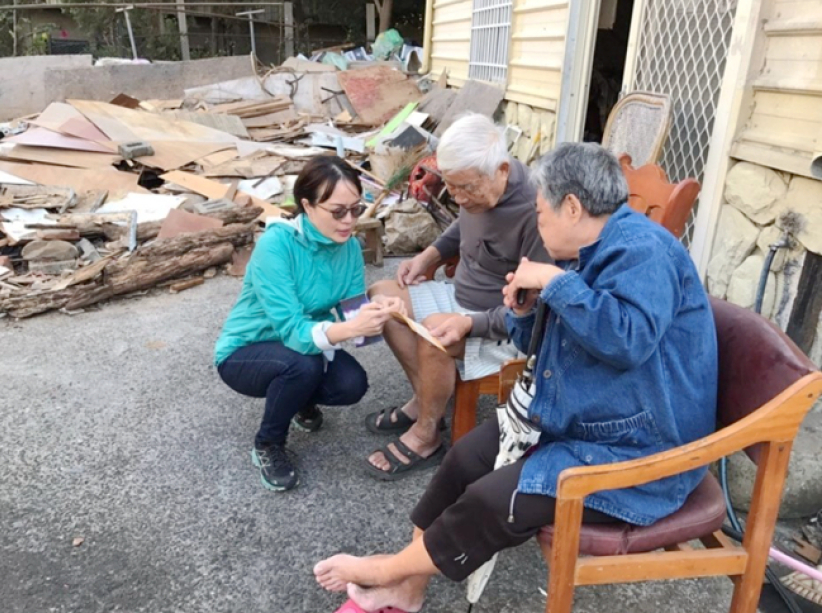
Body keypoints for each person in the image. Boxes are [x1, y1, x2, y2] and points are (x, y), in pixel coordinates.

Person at [313, 143, 719, 611]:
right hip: (588, 416)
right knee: (465, 458)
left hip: (640, 448)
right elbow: (542, 346)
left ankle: (387, 571)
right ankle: (408, 587)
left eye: (542, 213)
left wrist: (555, 283)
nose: (538, 224)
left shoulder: (643, 251)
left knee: (495, 498)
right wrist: (524, 310)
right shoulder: (584, 249)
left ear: (572, 207)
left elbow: (628, 341)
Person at [364, 112, 550, 480]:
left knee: (433, 335)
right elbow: (462, 224)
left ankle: (426, 432)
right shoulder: (477, 189)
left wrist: (469, 323)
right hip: (458, 295)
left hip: (500, 324)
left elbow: (533, 313)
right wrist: (428, 256)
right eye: (453, 188)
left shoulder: (537, 211)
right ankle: (426, 398)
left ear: (501, 169)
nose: (460, 198)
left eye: (467, 189)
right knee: (383, 296)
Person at [215, 155, 404, 492]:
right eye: (337, 211)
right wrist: (352, 328)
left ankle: (299, 398)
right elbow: (293, 332)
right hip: (245, 351)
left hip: (303, 349)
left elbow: (352, 315)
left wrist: (378, 312)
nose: (348, 221)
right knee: (302, 364)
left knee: (352, 384)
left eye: (356, 210)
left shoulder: (347, 246)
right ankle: (268, 443)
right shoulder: (276, 245)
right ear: (307, 205)